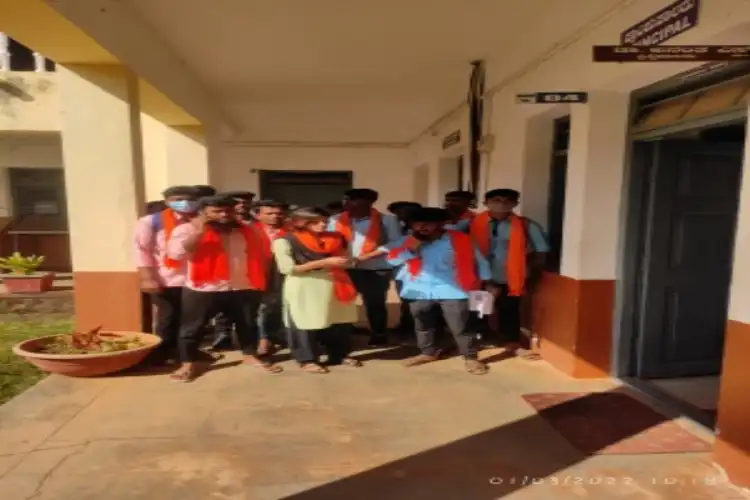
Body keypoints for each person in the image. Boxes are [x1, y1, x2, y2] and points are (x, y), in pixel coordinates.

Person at [167, 195, 282, 382]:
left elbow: (263, 255)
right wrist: (199, 231)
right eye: (217, 211)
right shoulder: (186, 229)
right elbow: (177, 253)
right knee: (192, 328)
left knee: (247, 324)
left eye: (228, 210)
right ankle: (188, 364)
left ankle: (250, 356)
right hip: (204, 287)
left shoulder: (249, 229)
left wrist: (265, 283)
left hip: (243, 285)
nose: (224, 215)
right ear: (204, 212)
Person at [385, 207, 494, 375]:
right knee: (422, 324)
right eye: (416, 223)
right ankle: (427, 353)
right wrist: (413, 249)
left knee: (461, 326)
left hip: (454, 290)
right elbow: (391, 260)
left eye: (427, 223)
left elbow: (481, 262)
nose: (421, 227)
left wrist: (487, 284)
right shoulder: (408, 240)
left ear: (441, 224)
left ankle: (471, 358)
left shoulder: (461, 239)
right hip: (419, 289)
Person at [134, 185, 218, 365]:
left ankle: (188, 352)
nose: (184, 203)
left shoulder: (203, 220)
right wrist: (147, 278)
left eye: (189, 199)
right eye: (177, 199)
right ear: (166, 202)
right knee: (169, 317)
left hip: (197, 278)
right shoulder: (151, 221)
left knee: (193, 319)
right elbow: (143, 251)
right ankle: (163, 354)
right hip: (167, 278)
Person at [273, 207, 362, 373]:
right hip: (305, 286)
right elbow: (288, 269)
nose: (323, 225)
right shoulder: (285, 240)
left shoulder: (336, 238)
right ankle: (307, 359)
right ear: (300, 222)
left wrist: (349, 261)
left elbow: (347, 259)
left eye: (325, 221)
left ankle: (339, 354)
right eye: (316, 221)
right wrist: (325, 263)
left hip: (336, 283)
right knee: (304, 323)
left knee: (339, 322)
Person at [469, 188, 549, 359]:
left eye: (507, 201)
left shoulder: (526, 225)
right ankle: (477, 341)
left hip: (511, 279)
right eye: (496, 200)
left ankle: (512, 344)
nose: (502, 204)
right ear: (486, 203)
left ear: (515, 204)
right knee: (479, 311)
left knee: (510, 311)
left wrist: (528, 270)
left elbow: (541, 250)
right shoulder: (472, 223)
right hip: (480, 276)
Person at [328, 188, 401, 345]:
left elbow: (395, 244)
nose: (346, 203)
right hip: (345, 267)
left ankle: (378, 333)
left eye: (352, 199)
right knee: (343, 301)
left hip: (375, 268)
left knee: (375, 303)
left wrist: (364, 257)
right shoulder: (335, 220)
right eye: (345, 199)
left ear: (369, 202)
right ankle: (345, 331)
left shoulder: (387, 220)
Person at [386, 201, 422, 338]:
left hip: (420, 268)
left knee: (418, 299)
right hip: (401, 268)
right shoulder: (393, 227)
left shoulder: (421, 227)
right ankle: (406, 324)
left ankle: (416, 327)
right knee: (404, 297)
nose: (401, 215)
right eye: (398, 212)